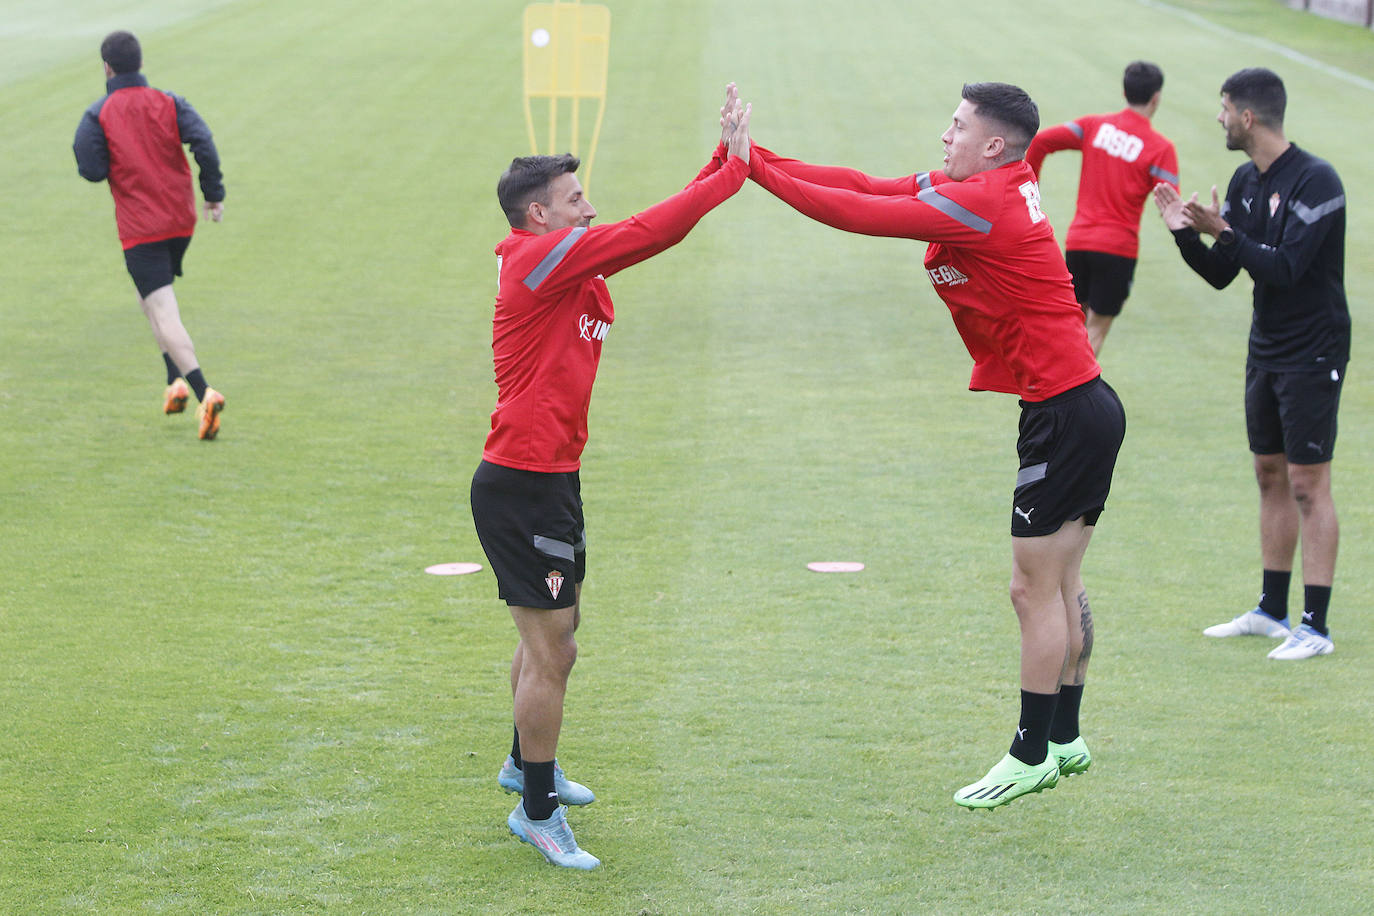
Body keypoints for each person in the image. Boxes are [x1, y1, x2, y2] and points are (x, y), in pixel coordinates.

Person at [736, 82, 1125, 809]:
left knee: (1031, 587)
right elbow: (862, 183)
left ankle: (1030, 752)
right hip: (1083, 405)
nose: (944, 137)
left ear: (993, 145)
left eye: (957, 127)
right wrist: (754, 155)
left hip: (1067, 414)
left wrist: (750, 173)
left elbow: (859, 214)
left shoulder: (985, 201)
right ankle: (1065, 737)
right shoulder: (987, 183)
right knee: (1061, 582)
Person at [470, 95, 752, 869]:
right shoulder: (539, 258)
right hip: (523, 483)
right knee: (554, 649)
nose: (590, 208)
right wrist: (733, 177)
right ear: (538, 215)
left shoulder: (558, 253)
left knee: (549, 640)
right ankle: (535, 810)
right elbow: (647, 232)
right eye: (574, 201)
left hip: (548, 476)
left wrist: (720, 158)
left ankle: (525, 762)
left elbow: (633, 232)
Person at [1154, 68, 1346, 661]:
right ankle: (1271, 611)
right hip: (1267, 346)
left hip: (1314, 347)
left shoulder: (1318, 182)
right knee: (1268, 473)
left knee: (1307, 482)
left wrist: (1226, 233)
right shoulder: (1244, 180)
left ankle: (1314, 626)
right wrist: (1187, 235)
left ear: (1248, 117)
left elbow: (1286, 268)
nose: (1218, 117)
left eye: (1224, 108)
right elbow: (1222, 274)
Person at [73, 30, 227, 440]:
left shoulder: (98, 114)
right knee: (149, 299)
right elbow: (204, 142)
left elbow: (90, 168)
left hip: (141, 229)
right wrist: (213, 193)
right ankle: (172, 381)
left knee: (161, 308)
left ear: (107, 66)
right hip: (181, 219)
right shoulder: (169, 102)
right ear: (140, 62)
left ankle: (203, 392)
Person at [1025, 61, 1179, 356]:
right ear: (1156, 97)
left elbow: (1041, 141)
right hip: (1118, 249)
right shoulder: (1160, 148)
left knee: (1072, 324)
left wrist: (1030, 191)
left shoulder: (1094, 127)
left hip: (1078, 243)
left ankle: (1056, 388)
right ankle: (1074, 395)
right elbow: (1171, 202)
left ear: (1124, 91)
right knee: (1095, 329)